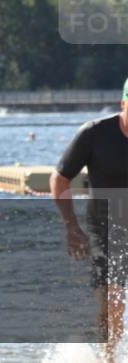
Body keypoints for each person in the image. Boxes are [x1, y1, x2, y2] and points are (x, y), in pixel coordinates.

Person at [50, 77, 128, 363]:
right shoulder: (94, 134)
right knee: (113, 301)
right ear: (123, 104)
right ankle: (110, 359)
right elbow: (59, 179)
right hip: (105, 229)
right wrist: (71, 227)